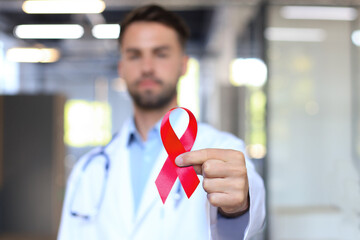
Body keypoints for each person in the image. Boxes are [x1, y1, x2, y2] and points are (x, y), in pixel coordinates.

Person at [58, 4, 265, 240]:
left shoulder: (222, 150)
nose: (147, 67)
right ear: (121, 68)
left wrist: (239, 205)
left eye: (161, 53)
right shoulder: (88, 169)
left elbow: (250, 217)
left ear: (183, 64)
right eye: (134, 55)